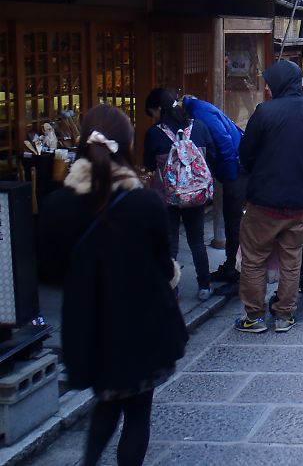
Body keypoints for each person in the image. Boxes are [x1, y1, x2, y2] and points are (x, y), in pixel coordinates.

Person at [41, 104, 186, 466]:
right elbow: (163, 265)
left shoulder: (57, 205)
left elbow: (51, 272)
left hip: (91, 330)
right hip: (142, 325)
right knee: (137, 412)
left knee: (107, 402)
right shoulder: (145, 203)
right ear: (127, 145)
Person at [235, 60, 303, 334]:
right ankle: (285, 315)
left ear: (279, 84)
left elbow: (246, 155)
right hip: (299, 201)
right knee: (292, 258)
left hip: (263, 200)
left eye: (269, 83)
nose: (266, 88)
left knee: (254, 258)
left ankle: (254, 316)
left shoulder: (264, 113)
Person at [143, 88, 215, 302]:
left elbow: (149, 164)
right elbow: (211, 154)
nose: (153, 118)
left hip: (168, 196)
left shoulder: (154, 134)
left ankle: (172, 289)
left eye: (152, 113)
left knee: (170, 242)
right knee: (197, 241)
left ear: (158, 109)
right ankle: (205, 286)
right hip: (196, 195)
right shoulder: (199, 127)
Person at [180, 95, 246, 288]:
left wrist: (229, 175)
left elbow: (224, 142)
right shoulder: (201, 108)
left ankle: (235, 268)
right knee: (232, 221)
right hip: (236, 168)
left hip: (237, 169)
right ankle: (232, 266)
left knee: (233, 222)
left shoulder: (200, 112)